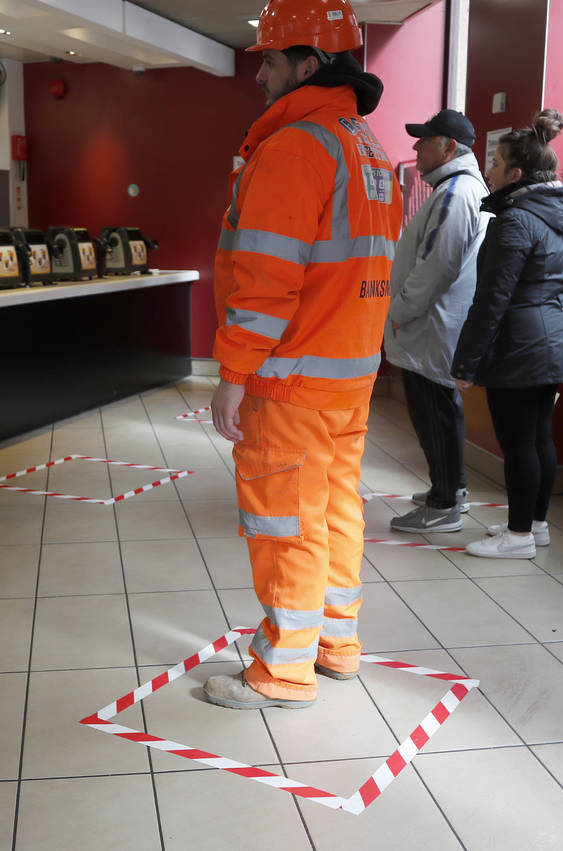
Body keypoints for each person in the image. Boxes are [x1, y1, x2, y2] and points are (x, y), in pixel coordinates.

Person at [203, 0, 401, 710]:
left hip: (290, 379)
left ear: (307, 64)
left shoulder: (295, 148)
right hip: (349, 377)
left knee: (284, 521)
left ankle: (281, 672)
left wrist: (233, 372)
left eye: (269, 59)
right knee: (335, 511)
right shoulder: (368, 147)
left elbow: (266, 278)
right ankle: (335, 645)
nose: (259, 74)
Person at [452, 109, 563, 558]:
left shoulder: (514, 221)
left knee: (518, 442)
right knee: (539, 437)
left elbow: (492, 299)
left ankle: (519, 536)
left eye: (494, 163)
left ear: (516, 173)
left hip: (520, 345)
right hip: (553, 339)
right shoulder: (557, 211)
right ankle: (536, 525)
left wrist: (466, 362)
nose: (487, 171)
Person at [384, 109, 489, 533]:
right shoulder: (456, 188)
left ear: (449, 147)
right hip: (434, 324)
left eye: (424, 140)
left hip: (430, 324)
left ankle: (444, 503)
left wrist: (398, 311)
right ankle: (452, 489)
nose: (415, 147)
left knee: (435, 411)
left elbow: (435, 266)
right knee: (439, 408)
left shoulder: (455, 193)